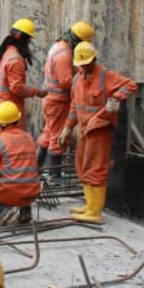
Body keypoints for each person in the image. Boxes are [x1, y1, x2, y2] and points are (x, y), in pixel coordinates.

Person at [57, 42, 137, 224]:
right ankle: (89, 204)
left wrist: (116, 97)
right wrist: (67, 128)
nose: (84, 66)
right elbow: (74, 106)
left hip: (100, 129)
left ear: (94, 59)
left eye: (87, 63)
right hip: (84, 130)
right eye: (81, 64)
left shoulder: (106, 77)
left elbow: (130, 85)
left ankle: (95, 211)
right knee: (82, 167)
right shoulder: (77, 80)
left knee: (96, 168)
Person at [37, 20, 95, 179]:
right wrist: (84, 80)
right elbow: (66, 81)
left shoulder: (59, 46)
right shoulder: (64, 54)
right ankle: (54, 175)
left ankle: (36, 168)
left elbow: (68, 70)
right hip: (58, 101)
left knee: (48, 134)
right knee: (57, 137)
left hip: (51, 100)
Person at [0, 18, 45, 134]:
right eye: (29, 40)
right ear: (24, 39)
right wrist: (36, 92)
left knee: (1, 141)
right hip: (8, 107)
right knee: (12, 141)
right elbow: (17, 88)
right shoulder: (15, 59)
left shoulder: (0, 51)